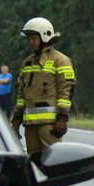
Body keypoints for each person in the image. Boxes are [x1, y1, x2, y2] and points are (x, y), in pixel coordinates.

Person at [11, 17, 75, 162]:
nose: (30, 42)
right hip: (30, 126)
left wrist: (62, 118)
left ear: (45, 37)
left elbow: (67, 90)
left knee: (53, 162)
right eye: (29, 38)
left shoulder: (61, 61)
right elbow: (21, 94)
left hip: (50, 126)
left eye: (33, 38)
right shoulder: (27, 63)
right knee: (34, 164)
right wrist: (16, 120)